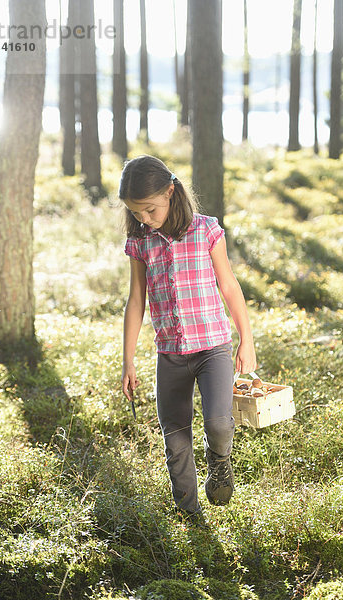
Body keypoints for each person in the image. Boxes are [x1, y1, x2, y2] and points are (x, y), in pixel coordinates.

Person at [120, 155, 256, 518]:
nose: (144, 219)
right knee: (175, 438)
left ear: (170, 191)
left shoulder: (206, 230)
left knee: (217, 422)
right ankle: (189, 514)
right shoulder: (141, 242)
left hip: (213, 347)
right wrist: (128, 360)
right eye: (137, 213)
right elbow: (136, 301)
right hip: (170, 355)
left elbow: (229, 286)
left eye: (149, 209)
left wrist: (247, 339)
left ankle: (219, 461)